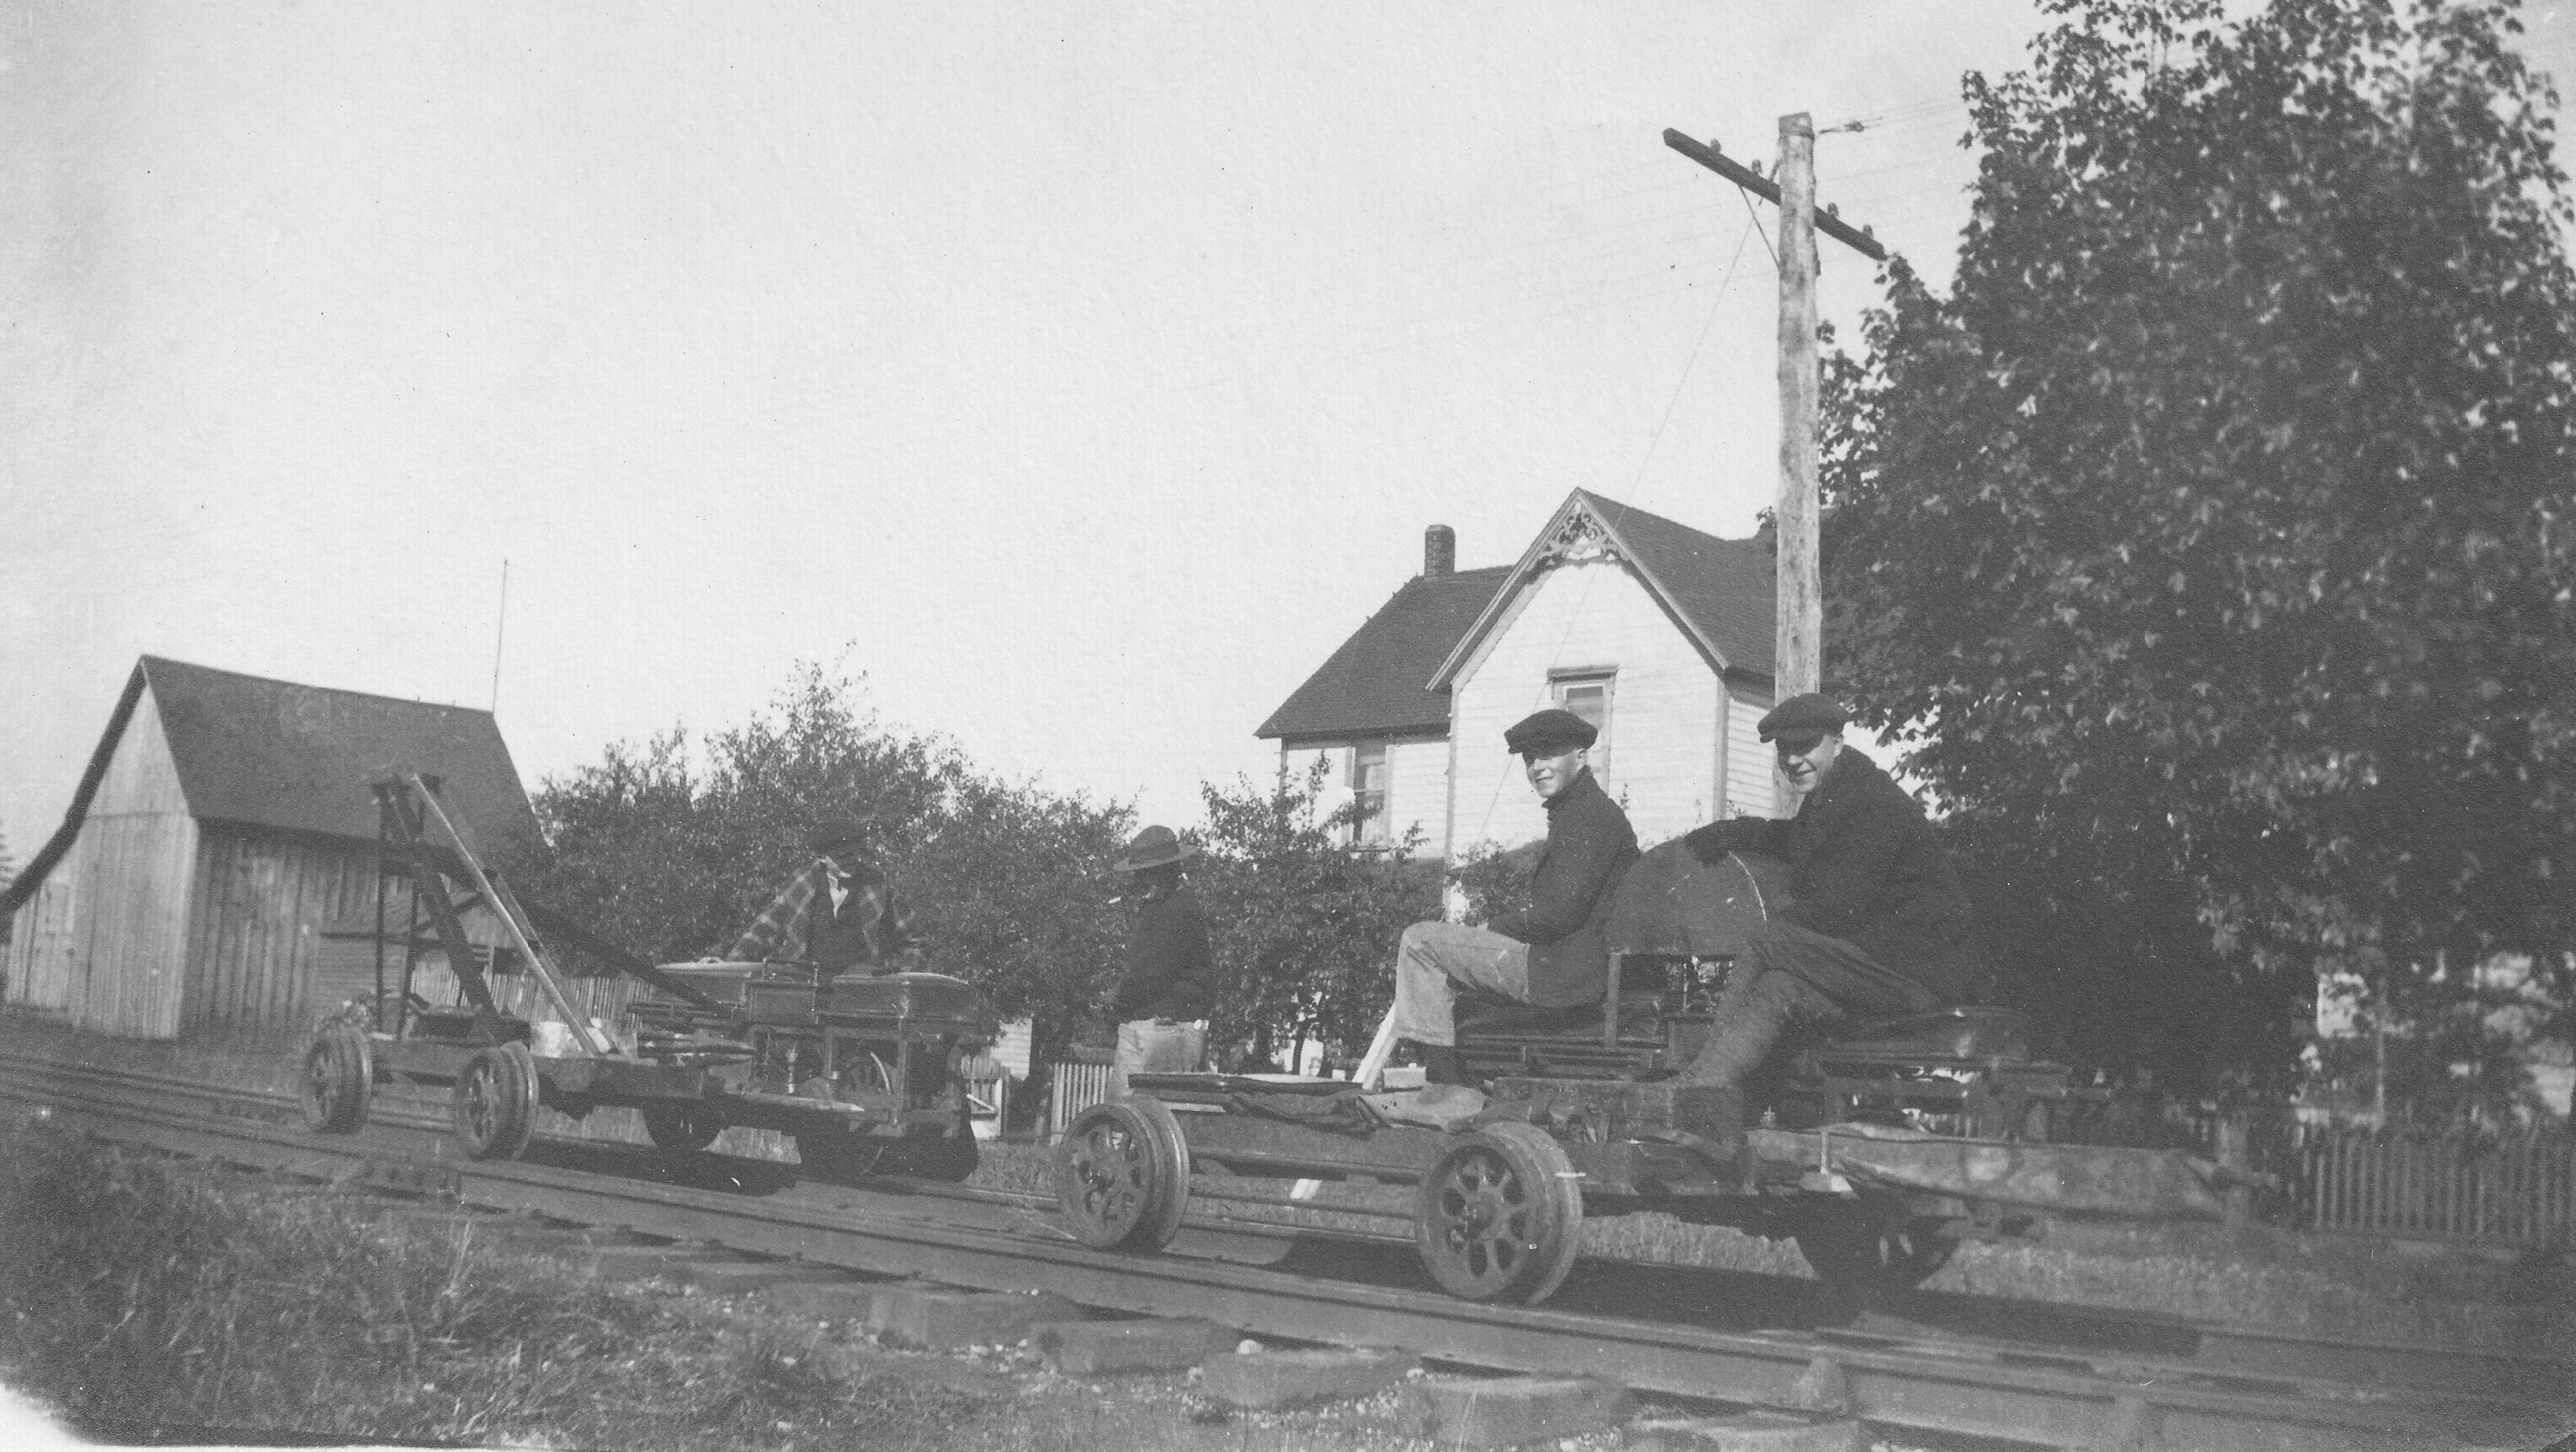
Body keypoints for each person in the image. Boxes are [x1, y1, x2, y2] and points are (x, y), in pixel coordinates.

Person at [1673, 693, 1983, 1124]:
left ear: (1837, 742)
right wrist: (1734, 831)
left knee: (1768, 940)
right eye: (1784, 749)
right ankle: (1716, 1097)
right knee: (1780, 987)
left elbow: (1840, 907)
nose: (1793, 760)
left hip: (1913, 973)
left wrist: (1777, 922)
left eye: (1805, 747)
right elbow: (1797, 841)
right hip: (1875, 967)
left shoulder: (1871, 804)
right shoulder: (1836, 795)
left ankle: (1692, 1085)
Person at [1388, 707, 1640, 1100]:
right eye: (1529, 758)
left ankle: (1446, 1082)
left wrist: (1492, 929)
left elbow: (1558, 914)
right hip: (1572, 963)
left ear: (1582, 756)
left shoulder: (1586, 817)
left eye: (1549, 754)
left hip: (1561, 969)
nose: (1538, 767)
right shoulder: (1584, 813)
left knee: (1421, 942)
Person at [723, 814, 924, 977]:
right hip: (804, 986)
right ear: (822, 858)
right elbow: (764, 931)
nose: (851, 861)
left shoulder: (878, 886)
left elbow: (914, 940)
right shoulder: (802, 884)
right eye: (842, 857)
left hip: (861, 992)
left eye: (855, 854)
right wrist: (727, 966)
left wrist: (894, 974)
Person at [1105, 824, 1220, 1093]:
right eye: (1138, 874)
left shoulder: (1181, 910)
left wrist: (1116, 998)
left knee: (1157, 1117)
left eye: (1147, 874)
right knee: (1122, 1117)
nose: (1139, 880)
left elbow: (1151, 972)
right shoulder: (1155, 907)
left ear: (1168, 871)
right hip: (1143, 1023)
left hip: (1169, 1028)